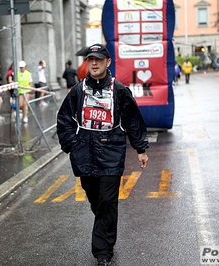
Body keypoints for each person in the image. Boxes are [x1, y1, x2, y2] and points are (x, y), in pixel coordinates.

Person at [56, 43, 149, 266]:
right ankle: (105, 233)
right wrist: (72, 145)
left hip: (111, 153)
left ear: (108, 62)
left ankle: (103, 253)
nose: (94, 63)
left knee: (107, 201)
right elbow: (64, 119)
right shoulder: (78, 91)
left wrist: (140, 149)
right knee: (96, 200)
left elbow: (132, 120)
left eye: (98, 59)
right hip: (84, 155)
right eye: (90, 60)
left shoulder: (119, 90)